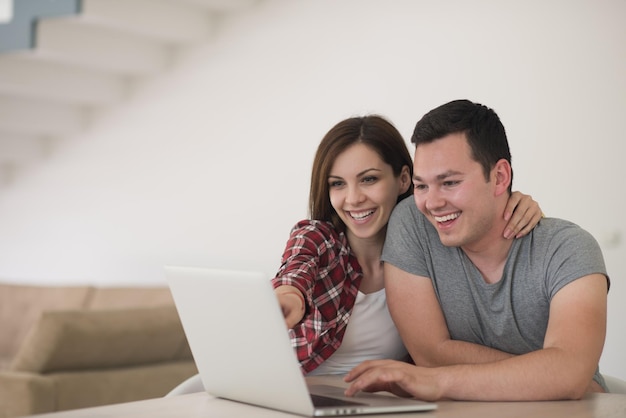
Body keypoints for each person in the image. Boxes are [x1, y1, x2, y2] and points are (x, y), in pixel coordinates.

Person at [343, 100, 610, 400]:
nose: (431, 203)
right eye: (421, 186)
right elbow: (430, 355)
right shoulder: (413, 223)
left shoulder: (569, 249)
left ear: (500, 178)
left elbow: (569, 374)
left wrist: (441, 381)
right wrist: (544, 376)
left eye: (450, 182)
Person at [271, 114, 543, 376]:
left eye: (369, 179)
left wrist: (511, 204)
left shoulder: (433, 246)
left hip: (379, 402)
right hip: (299, 393)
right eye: (338, 184)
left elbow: (476, 217)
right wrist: (289, 295)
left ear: (403, 180)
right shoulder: (317, 238)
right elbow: (296, 269)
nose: (353, 199)